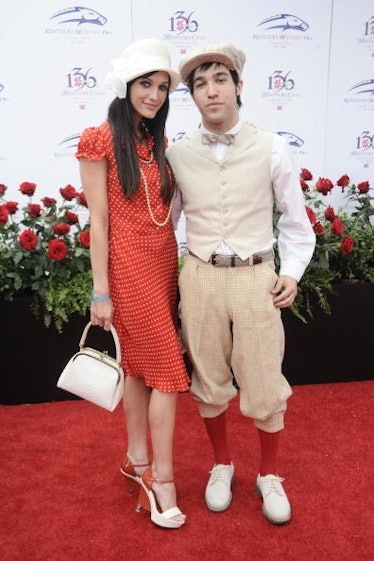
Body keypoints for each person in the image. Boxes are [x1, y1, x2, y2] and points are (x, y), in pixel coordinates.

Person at [167, 43, 316, 525]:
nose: (210, 91)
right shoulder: (177, 154)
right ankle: (221, 465)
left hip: (256, 279)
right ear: (192, 95)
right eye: (200, 84)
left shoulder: (273, 146)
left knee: (265, 382)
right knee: (208, 380)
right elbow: (165, 225)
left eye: (219, 80)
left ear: (238, 86)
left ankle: (268, 474)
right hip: (201, 278)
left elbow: (296, 223)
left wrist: (291, 272)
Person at [76, 38, 190, 529]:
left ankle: (137, 461)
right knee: (167, 369)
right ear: (126, 84)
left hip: (163, 264)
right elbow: (98, 221)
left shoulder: (154, 142)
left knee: (142, 371)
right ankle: (161, 478)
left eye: (163, 86)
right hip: (125, 271)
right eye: (147, 83)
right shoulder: (98, 138)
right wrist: (101, 291)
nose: (156, 94)